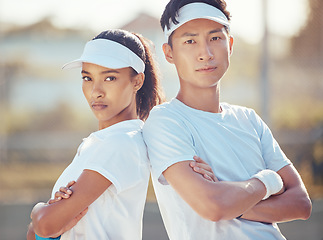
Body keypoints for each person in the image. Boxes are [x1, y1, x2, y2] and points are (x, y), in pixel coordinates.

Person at [142, 0, 312, 239]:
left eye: (215, 38)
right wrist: (269, 181)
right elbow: (213, 206)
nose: (206, 53)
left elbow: (301, 204)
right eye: (190, 41)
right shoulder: (165, 122)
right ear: (169, 53)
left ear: (229, 45)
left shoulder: (249, 119)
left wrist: (234, 204)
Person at [26, 29, 164, 240]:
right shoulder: (98, 143)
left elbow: (44, 225)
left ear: (137, 81)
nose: (95, 91)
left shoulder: (121, 142)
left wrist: (38, 210)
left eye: (110, 78)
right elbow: (37, 233)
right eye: (87, 78)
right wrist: (45, 223)